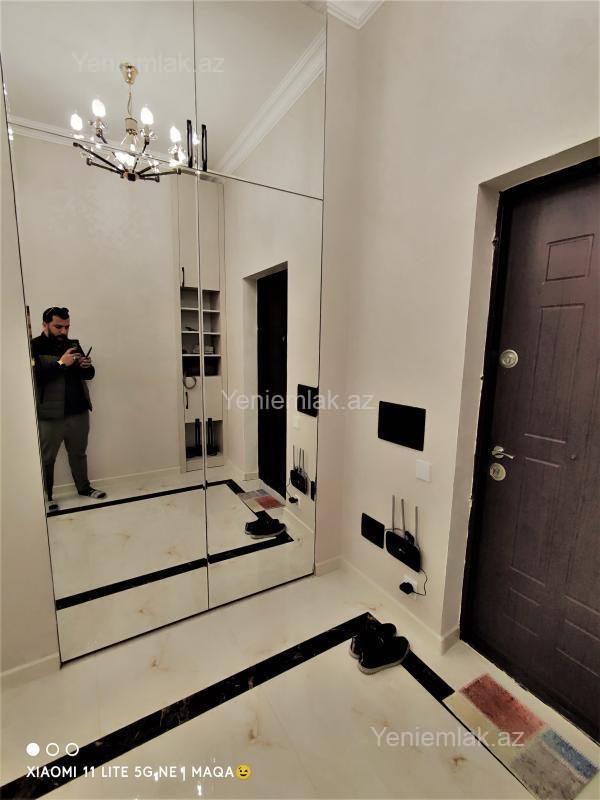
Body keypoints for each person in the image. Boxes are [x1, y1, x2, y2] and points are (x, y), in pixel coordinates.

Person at [31, 307, 106, 510]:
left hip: (79, 411)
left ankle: (84, 488)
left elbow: (88, 375)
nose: (63, 331)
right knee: (47, 458)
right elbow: (36, 376)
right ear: (45, 325)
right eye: (58, 327)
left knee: (78, 453)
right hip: (50, 415)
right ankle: (47, 497)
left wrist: (86, 366)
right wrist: (61, 363)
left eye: (67, 327)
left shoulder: (73, 344)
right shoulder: (34, 345)